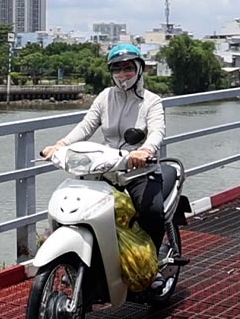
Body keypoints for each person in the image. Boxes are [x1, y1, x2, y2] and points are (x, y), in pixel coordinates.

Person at [40, 43, 168, 248]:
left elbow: (156, 131)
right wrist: (61, 145)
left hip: (140, 171)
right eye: (116, 69)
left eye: (128, 68)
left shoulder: (151, 101)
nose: (122, 74)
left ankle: (153, 263)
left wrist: (145, 150)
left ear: (139, 69)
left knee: (150, 212)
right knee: (81, 207)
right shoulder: (105, 97)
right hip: (107, 169)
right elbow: (86, 125)